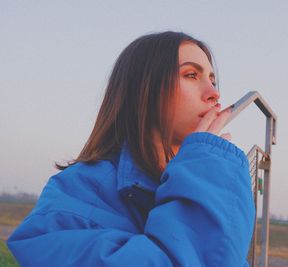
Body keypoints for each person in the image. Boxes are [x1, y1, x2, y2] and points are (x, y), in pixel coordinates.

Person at [7, 31, 255, 267]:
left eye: (212, 79)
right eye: (191, 75)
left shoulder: (200, 185)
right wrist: (208, 167)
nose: (214, 93)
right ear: (144, 89)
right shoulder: (74, 194)